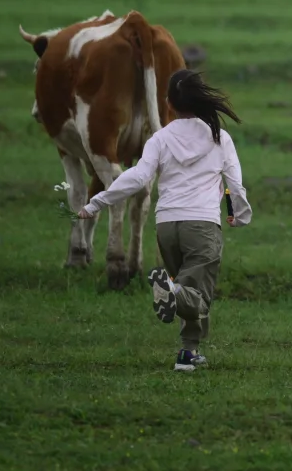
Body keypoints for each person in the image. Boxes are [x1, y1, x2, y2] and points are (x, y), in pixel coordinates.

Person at [77, 68, 251, 371]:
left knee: (186, 289)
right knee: (197, 296)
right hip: (202, 226)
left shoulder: (160, 138)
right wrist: (239, 213)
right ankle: (171, 293)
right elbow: (234, 182)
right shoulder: (219, 137)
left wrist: (96, 203)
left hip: (167, 226)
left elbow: (138, 177)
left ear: (168, 103)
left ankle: (188, 353)